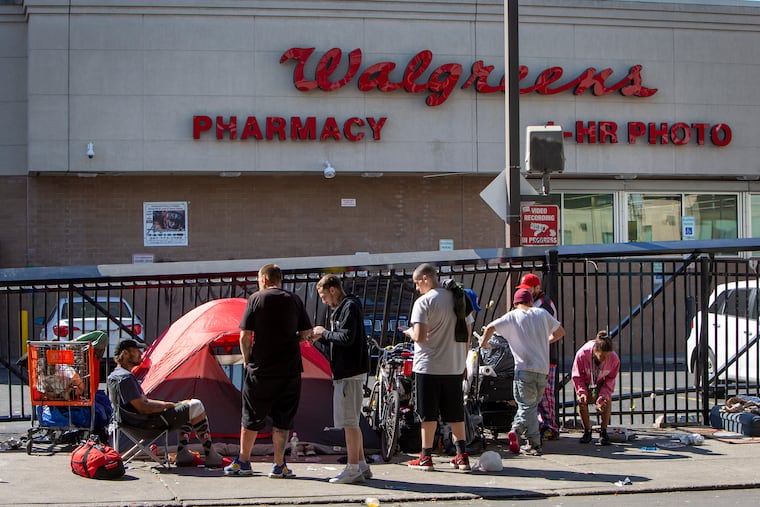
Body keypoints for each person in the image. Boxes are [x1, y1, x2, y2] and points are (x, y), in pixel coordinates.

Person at [224, 263, 313, 478]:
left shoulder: (256, 299)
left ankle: (244, 461)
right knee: (283, 419)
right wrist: (292, 340)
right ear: (279, 279)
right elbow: (307, 332)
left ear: (264, 279)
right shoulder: (294, 299)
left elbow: (245, 336)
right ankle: (279, 465)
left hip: (261, 369)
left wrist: (248, 360)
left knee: (251, 416)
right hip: (289, 369)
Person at [107, 339, 223, 467]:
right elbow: (143, 408)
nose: (141, 354)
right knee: (196, 405)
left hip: (131, 423)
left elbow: (143, 402)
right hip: (145, 425)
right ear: (125, 353)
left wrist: (171, 405)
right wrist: (168, 406)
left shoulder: (116, 375)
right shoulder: (125, 378)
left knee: (187, 407)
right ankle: (209, 454)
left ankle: (183, 453)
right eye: (136, 351)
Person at [480, 288, 564, 456]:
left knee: (526, 405)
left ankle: (516, 429)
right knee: (532, 406)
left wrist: (484, 343)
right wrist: (546, 341)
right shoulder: (542, 314)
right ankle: (534, 444)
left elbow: (490, 327)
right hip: (542, 370)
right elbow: (560, 332)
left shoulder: (513, 315)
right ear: (531, 302)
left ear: (515, 304)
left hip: (524, 369)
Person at [403, 263, 470, 471]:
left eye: (416, 283)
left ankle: (425, 457)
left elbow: (421, 336)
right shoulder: (459, 299)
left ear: (425, 278)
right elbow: (467, 332)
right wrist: (463, 360)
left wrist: (409, 332)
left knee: (427, 414)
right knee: (456, 412)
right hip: (454, 365)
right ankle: (462, 455)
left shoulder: (423, 302)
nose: (416, 288)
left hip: (428, 366)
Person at [310, 274, 372, 484]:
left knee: (349, 423)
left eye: (323, 295)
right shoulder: (343, 308)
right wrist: (323, 337)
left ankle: (352, 468)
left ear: (333, 289)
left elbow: (346, 337)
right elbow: (343, 340)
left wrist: (324, 332)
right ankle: (361, 465)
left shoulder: (348, 308)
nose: (323, 300)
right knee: (352, 421)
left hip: (349, 373)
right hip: (348, 371)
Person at [517, 273, 561, 441]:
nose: (525, 292)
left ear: (537, 288)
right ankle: (542, 425)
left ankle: (551, 427)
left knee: (545, 394)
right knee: (537, 395)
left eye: (527, 289)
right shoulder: (535, 303)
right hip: (537, 357)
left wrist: (542, 343)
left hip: (546, 357)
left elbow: (554, 331)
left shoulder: (544, 305)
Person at [572, 330, 620, 446]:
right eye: (602, 356)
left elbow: (610, 379)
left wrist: (603, 395)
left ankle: (603, 432)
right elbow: (577, 376)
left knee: (606, 401)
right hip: (586, 381)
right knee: (582, 402)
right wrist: (582, 392)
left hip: (601, 382)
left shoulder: (614, 359)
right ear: (595, 350)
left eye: (607, 356)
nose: (604, 359)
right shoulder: (582, 354)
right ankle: (587, 431)